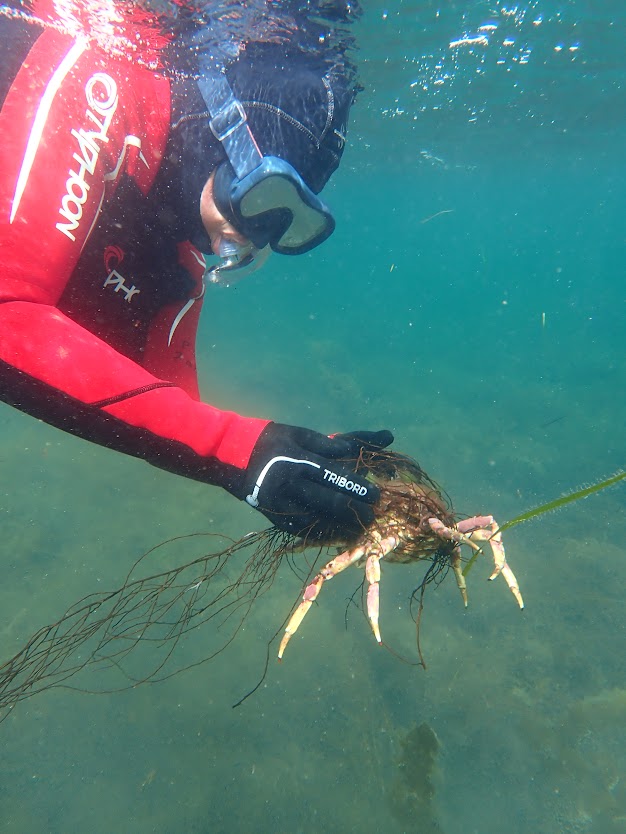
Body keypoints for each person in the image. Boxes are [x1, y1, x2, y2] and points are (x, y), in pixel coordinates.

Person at [0, 1, 392, 542]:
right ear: (220, 131)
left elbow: (169, 409)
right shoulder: (100, 82)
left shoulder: (174, 247)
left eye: (282, 227)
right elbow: (7, 319)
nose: (251, 238)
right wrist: (234, 448)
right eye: (260, 196)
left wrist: (305, 453)